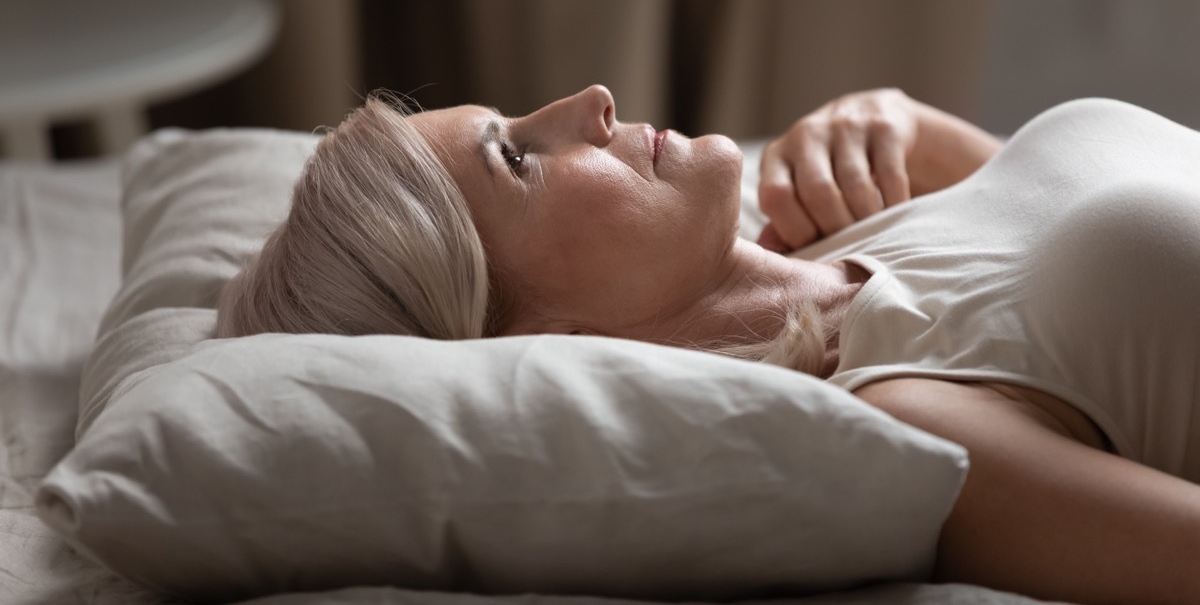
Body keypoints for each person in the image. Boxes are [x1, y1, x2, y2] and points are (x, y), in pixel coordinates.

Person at [218, 84, 1200, 605]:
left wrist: (914, 124)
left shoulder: (839, 219)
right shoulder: (917, 415)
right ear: (534, 339)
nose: (590, 102)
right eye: (518, 157)